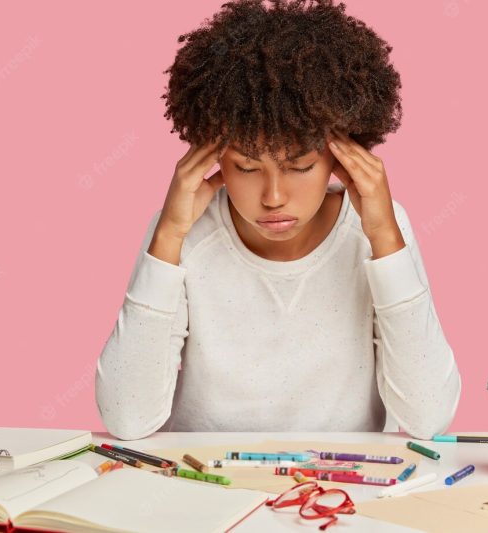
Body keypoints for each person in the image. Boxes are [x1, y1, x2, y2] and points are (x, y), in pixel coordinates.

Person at [95, 0, 461, 440]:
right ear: (211, 157)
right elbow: (126, 418)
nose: (273, 197)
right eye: (246, 168)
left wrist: (385, 239)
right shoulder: (181, 229)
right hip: (205, 483)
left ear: (342, 156)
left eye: (301, 167)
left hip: (338, 484)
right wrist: (168, 237)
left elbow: (428, 417)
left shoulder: (376, 230)